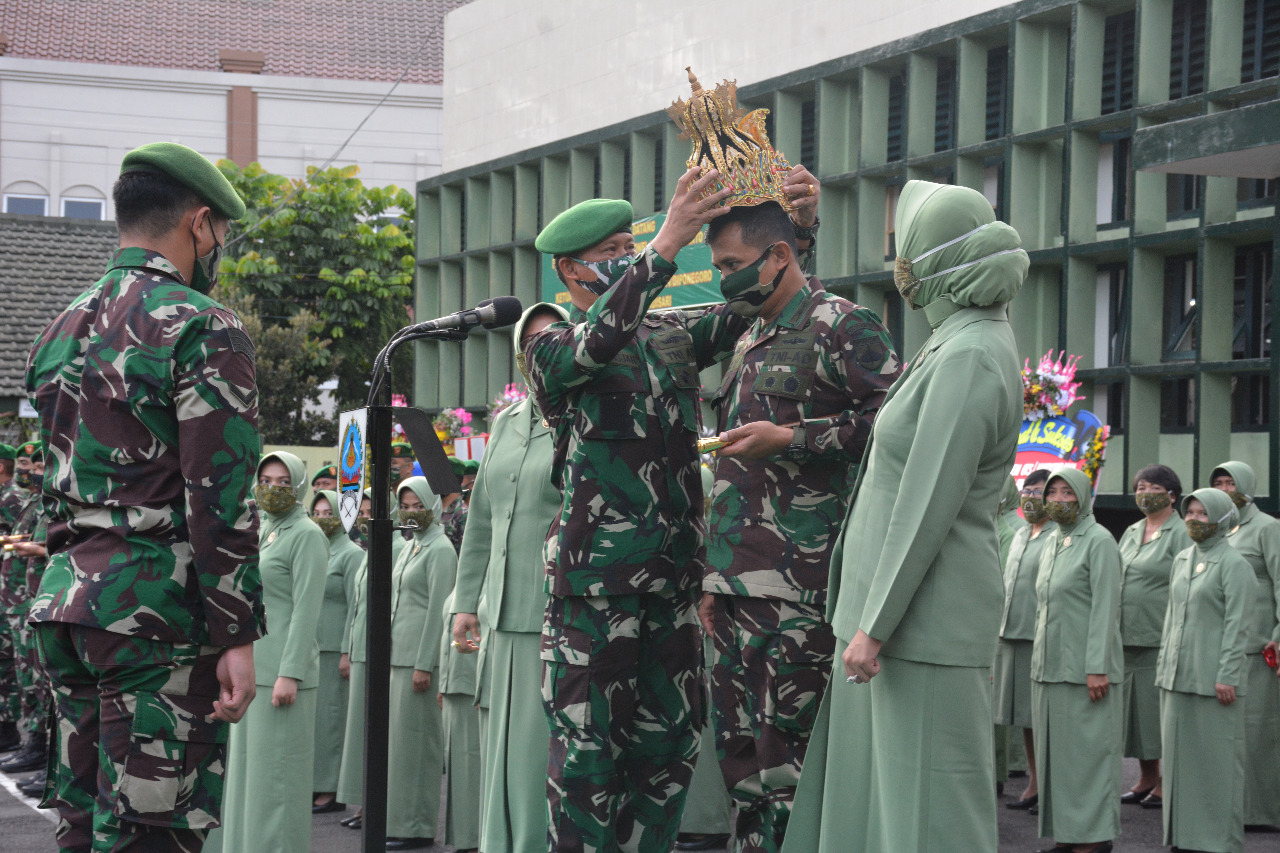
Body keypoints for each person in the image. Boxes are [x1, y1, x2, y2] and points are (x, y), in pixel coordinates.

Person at [24, 141, 264, 851]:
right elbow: (218, 500)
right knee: (149, 833)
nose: (218, 244)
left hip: (65, 605)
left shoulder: (59, 327)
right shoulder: (202, 325)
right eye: (220, 229)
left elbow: (53, 481)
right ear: (199, 223)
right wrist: (238, 635)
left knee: (79, 826)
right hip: (151, 617)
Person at [783, 179, 1027, 853]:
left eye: (908, 251)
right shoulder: (956, 339)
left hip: (917, 628)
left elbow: (928, 499)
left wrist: (874, 625)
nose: (902, 270)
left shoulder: (972, 350)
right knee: (881, 812)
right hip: (896, 626)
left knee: (925, 816)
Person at [523, 166, 747, 853]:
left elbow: (748, 306)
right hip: (596, 597)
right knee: (590, 765)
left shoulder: (669, 331)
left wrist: (793, 231)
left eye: (631, 243)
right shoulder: (550, 337)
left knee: (668, 758)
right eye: (612, 251)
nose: (627, 258)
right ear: (570, 269)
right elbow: (594, 345)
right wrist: (665, 246)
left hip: (673, 588)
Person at [700, 184, 899, 853]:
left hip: (801, 588)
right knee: (742, 763)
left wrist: (794, 437)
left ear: (779, 255)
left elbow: (893, 426)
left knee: (794, 763)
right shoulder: (749, 336)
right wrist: (711, 576)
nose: (724, 281)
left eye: (731, 266)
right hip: (733, 587)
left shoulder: (843, 325)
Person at [452, 301, 568, 853]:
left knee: (533, 750)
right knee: (495, 742)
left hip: (552, 612)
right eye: (532, 342)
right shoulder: (506, 422)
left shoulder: (582, 416)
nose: (542, 350)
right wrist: (466, 601)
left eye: (556, 338)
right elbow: (480, 519)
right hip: (498, 613)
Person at [209, 452, 326, 853]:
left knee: (276, 784)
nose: (273, 487)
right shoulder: (259, 528)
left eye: (283, 481)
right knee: (248, 784)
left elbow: (307, 609)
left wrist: (290, 673)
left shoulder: (307, 533)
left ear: (298, 486)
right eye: (266, 479)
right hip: (251, 671)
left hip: (280, 674)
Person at [1157, 487, 1256, 853]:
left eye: (1203, 514)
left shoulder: (1235, 565)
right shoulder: (1182, 558)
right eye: (1190, 513)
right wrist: (1165, 665)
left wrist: (1228, 674)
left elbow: (1238, 626)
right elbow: (1172, 618)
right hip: (1177, 677)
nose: (1194, 520)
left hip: (1213, 680)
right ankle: (1184, 837)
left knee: (1215, 766)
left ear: (1222, 519)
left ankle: (1216, 841)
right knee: (1181, 765)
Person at [1031, 466, 1123, 853]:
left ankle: (1094, 839)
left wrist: (1097, 667)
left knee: (1088, 760)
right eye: (1052, 493)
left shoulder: (1098, 540)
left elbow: (1106, 608)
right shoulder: (1054, 539)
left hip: (1085, 672)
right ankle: (1068, 834)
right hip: (1049, 668)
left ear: (1084, 496)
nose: (1058, 500)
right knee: (1059, 761)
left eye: (1067, 493)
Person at [386, 477, 456, 851]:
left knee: (418, 746)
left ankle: (417, 825)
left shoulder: (441, 549)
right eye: (406, 506)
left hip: (418, 662)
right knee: (400, 747)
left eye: (419, 506)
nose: (411, 513)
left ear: (434, 506)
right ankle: (399, 821)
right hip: (400, 656)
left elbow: (438, 613)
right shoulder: (409, 546)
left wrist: (425, 664)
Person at [1116, 463, 1190, 809]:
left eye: (1153, 488)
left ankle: (1169, 781)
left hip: (1159, 634)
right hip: (1125, 634)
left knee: (1157, 714)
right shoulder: (1131, 531)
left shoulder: (1182, 532)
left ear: (1172, 496)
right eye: (1140, 488)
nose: (1145, 494)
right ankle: (1147, 777)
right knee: (1135, 715)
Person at [1211, 460, 1280, 828]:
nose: (1224, 489)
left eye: (1231, 483)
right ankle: (1233, 807)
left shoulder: (1268, 528)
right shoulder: (1215, 529)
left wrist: (1278, 637)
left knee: (1259, 734)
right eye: (1218, 483)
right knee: (1230, 736)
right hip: (1222, 644)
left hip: (1259, 646)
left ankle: (1262, 812)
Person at [995, 468, 1055, 810]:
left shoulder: (1056, 536)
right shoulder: (1022, 535)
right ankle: (1034, 782)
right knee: (1027, 720)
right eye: (1028, 491)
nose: (1032, 497)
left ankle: (1050, 785)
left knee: (1045, 718)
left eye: (1040, 492)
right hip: (1013, 634)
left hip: (1040, 637)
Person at [310, 488, 364, 813]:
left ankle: (330, 789)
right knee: (315, 722)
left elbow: (357, 607)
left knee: (332, 720)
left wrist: (347, 650)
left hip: (335, 650)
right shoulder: (315, 548)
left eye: (328, 513)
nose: (321, 519)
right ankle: (316, 781)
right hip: (313, 648)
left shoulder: (352, 554)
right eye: (316, 513)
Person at [336, 491, 374, 830]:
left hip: (382, 654)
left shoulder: (398, 549)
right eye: (359, 511)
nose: (364, 517)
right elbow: (355, 608)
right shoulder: (365, 553)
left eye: (371, 511)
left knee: (376, 733)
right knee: (360, 733)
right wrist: (348, 649)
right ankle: (364, 804)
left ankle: (374, 806)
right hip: (361, 650)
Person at [437, 591, 480, 853]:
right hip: (455, 685)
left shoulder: (485, 587)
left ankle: (475, 839)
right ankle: (466, 839)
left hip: (472, 687)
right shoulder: (460, 591)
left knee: (473, 768)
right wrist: (444, 682)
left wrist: (482, 684)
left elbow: (485, 643)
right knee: (460, 769)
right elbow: (452, 641)